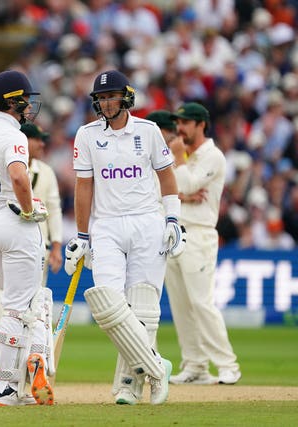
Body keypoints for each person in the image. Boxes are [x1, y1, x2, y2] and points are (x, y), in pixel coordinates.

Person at [64, 70, 184, 405]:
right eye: (100, 98)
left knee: (143, 308)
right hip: (106, 226)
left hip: (147, 222)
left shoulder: (147, 131)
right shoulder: (87, 135)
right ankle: (157, 368)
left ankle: (130, 382)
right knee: (107, 303)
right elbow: (83, 187)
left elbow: (167, 177)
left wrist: (173, 218)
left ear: (126, 97)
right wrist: (83, 235)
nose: (105, 103)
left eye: (110, 96)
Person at [0, 69, 54, 406]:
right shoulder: (14, 136)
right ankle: (5, 387)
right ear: (13, 102)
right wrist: (29, 208)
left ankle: (23, 379)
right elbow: (19, 177)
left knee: (25, 304)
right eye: (24, 100)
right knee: (20, 308)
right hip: (14, 224)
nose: (28, 106)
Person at [167, 102, 241, 385]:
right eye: (178, 123)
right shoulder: (180, 154)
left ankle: (227, 364)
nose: (180, 128)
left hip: (199, 233)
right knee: (181, 304)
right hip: (174, 232)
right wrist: (183, 194)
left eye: (185, 123)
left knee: (201, 302)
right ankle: (195, 365)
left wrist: (179, 162)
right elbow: (166, 188)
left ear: (201, 125)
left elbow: (182, 185)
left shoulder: (213, 157)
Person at [20, 123, 63, 285]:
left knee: (37, 296)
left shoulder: (46, 171)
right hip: (13, 243)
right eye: (36, 139)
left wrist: (57, 246)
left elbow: (54, 210)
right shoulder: (7, 168)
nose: (42, 144)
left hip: (40, 244)